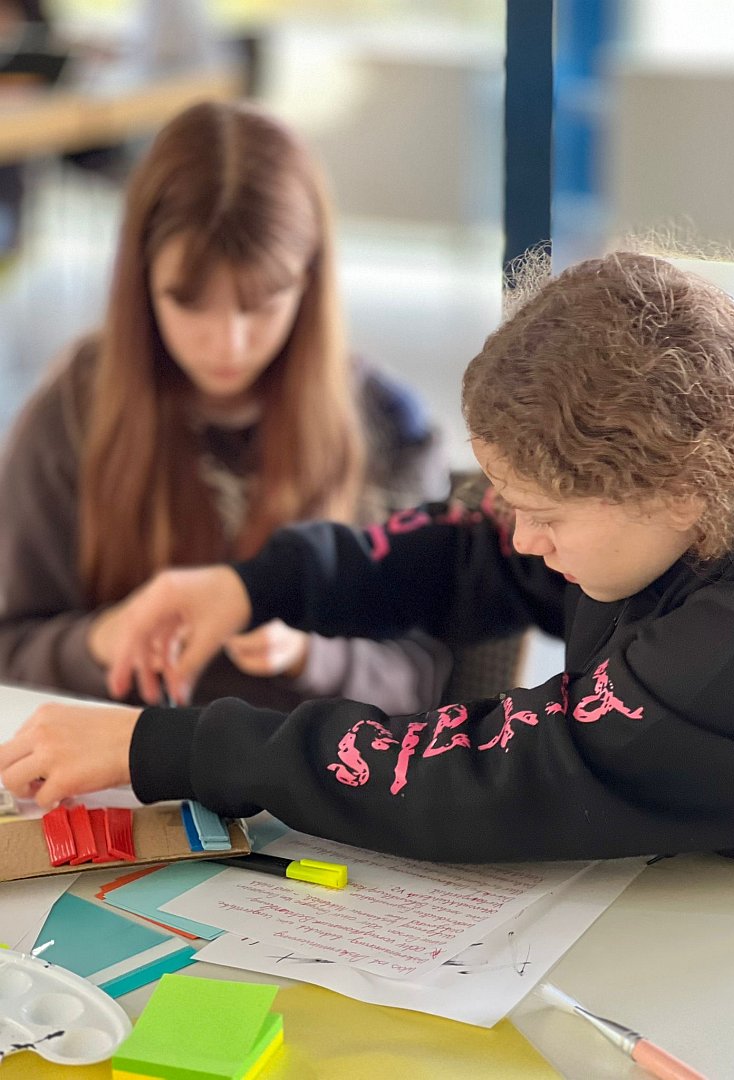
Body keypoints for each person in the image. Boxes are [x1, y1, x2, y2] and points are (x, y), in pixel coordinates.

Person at [5, 250, 734, 866]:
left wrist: (167, 746)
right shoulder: (695, 490)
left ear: (678, 489)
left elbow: (495, 775)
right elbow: (472, 548)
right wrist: (254, 585)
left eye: (544, 515)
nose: (521, 537)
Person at [0, 99, 451, 714]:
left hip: (313, 789)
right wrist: (105, 638)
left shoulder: (387, 425)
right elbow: (11, 648)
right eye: (189, 303)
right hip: (122, 777)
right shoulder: (74, 412)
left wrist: (307, 654)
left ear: (310, 282)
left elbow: (426, 677)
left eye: (262, 303)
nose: (228, 343)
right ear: (140, 281)